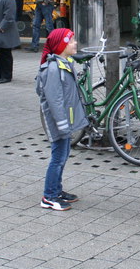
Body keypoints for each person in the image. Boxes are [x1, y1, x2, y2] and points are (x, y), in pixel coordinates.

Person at [36, 28, 88, 211]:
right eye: (71, 40)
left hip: (64, 120)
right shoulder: (53, 68)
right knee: (58, 157)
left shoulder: (64, 62)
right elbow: (55, 100)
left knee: (63, 155)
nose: (75, 43)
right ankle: (49, 196)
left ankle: (56, 190)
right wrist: (63, 124)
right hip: (58, 122)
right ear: (61, 46)